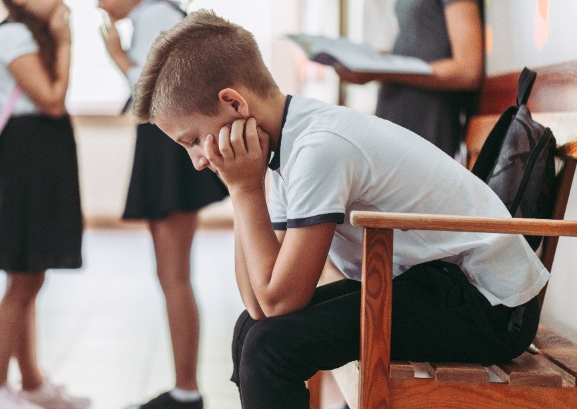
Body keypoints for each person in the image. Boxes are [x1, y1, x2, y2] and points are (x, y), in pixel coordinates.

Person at [131, 10, 549, 409]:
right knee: (250, 329)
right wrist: (245, 185)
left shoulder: (320, 148)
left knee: (270, 350)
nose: (198, 161)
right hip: (429, 284)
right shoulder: (285, 142)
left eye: (191, 141)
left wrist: (244, 191)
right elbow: (261, 304)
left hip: (489, 306)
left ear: (235, 104)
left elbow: (280, 302)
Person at [97, 1, 229, 408]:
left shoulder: (155, 17)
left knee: (174, 275)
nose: (98, 4)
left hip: (166, 149)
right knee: (172, 274)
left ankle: (186, 391)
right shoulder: (155, 16)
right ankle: (183, 387)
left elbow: (158, 91)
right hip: (164, 147)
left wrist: (119, 57)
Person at [0, 1, 90, 408]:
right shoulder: (13, 36)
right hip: (25, 160)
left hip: (36, 158)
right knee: (21, 278)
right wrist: (66, 43)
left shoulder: (24, 34)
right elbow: (52, 99)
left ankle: (31, 383)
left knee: (30, 276)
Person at [334, 0, 484, 158]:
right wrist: (370, 62)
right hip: (396, 115)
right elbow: (416, 48)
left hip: (427, 118)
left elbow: (468, 70)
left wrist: (385, 70)